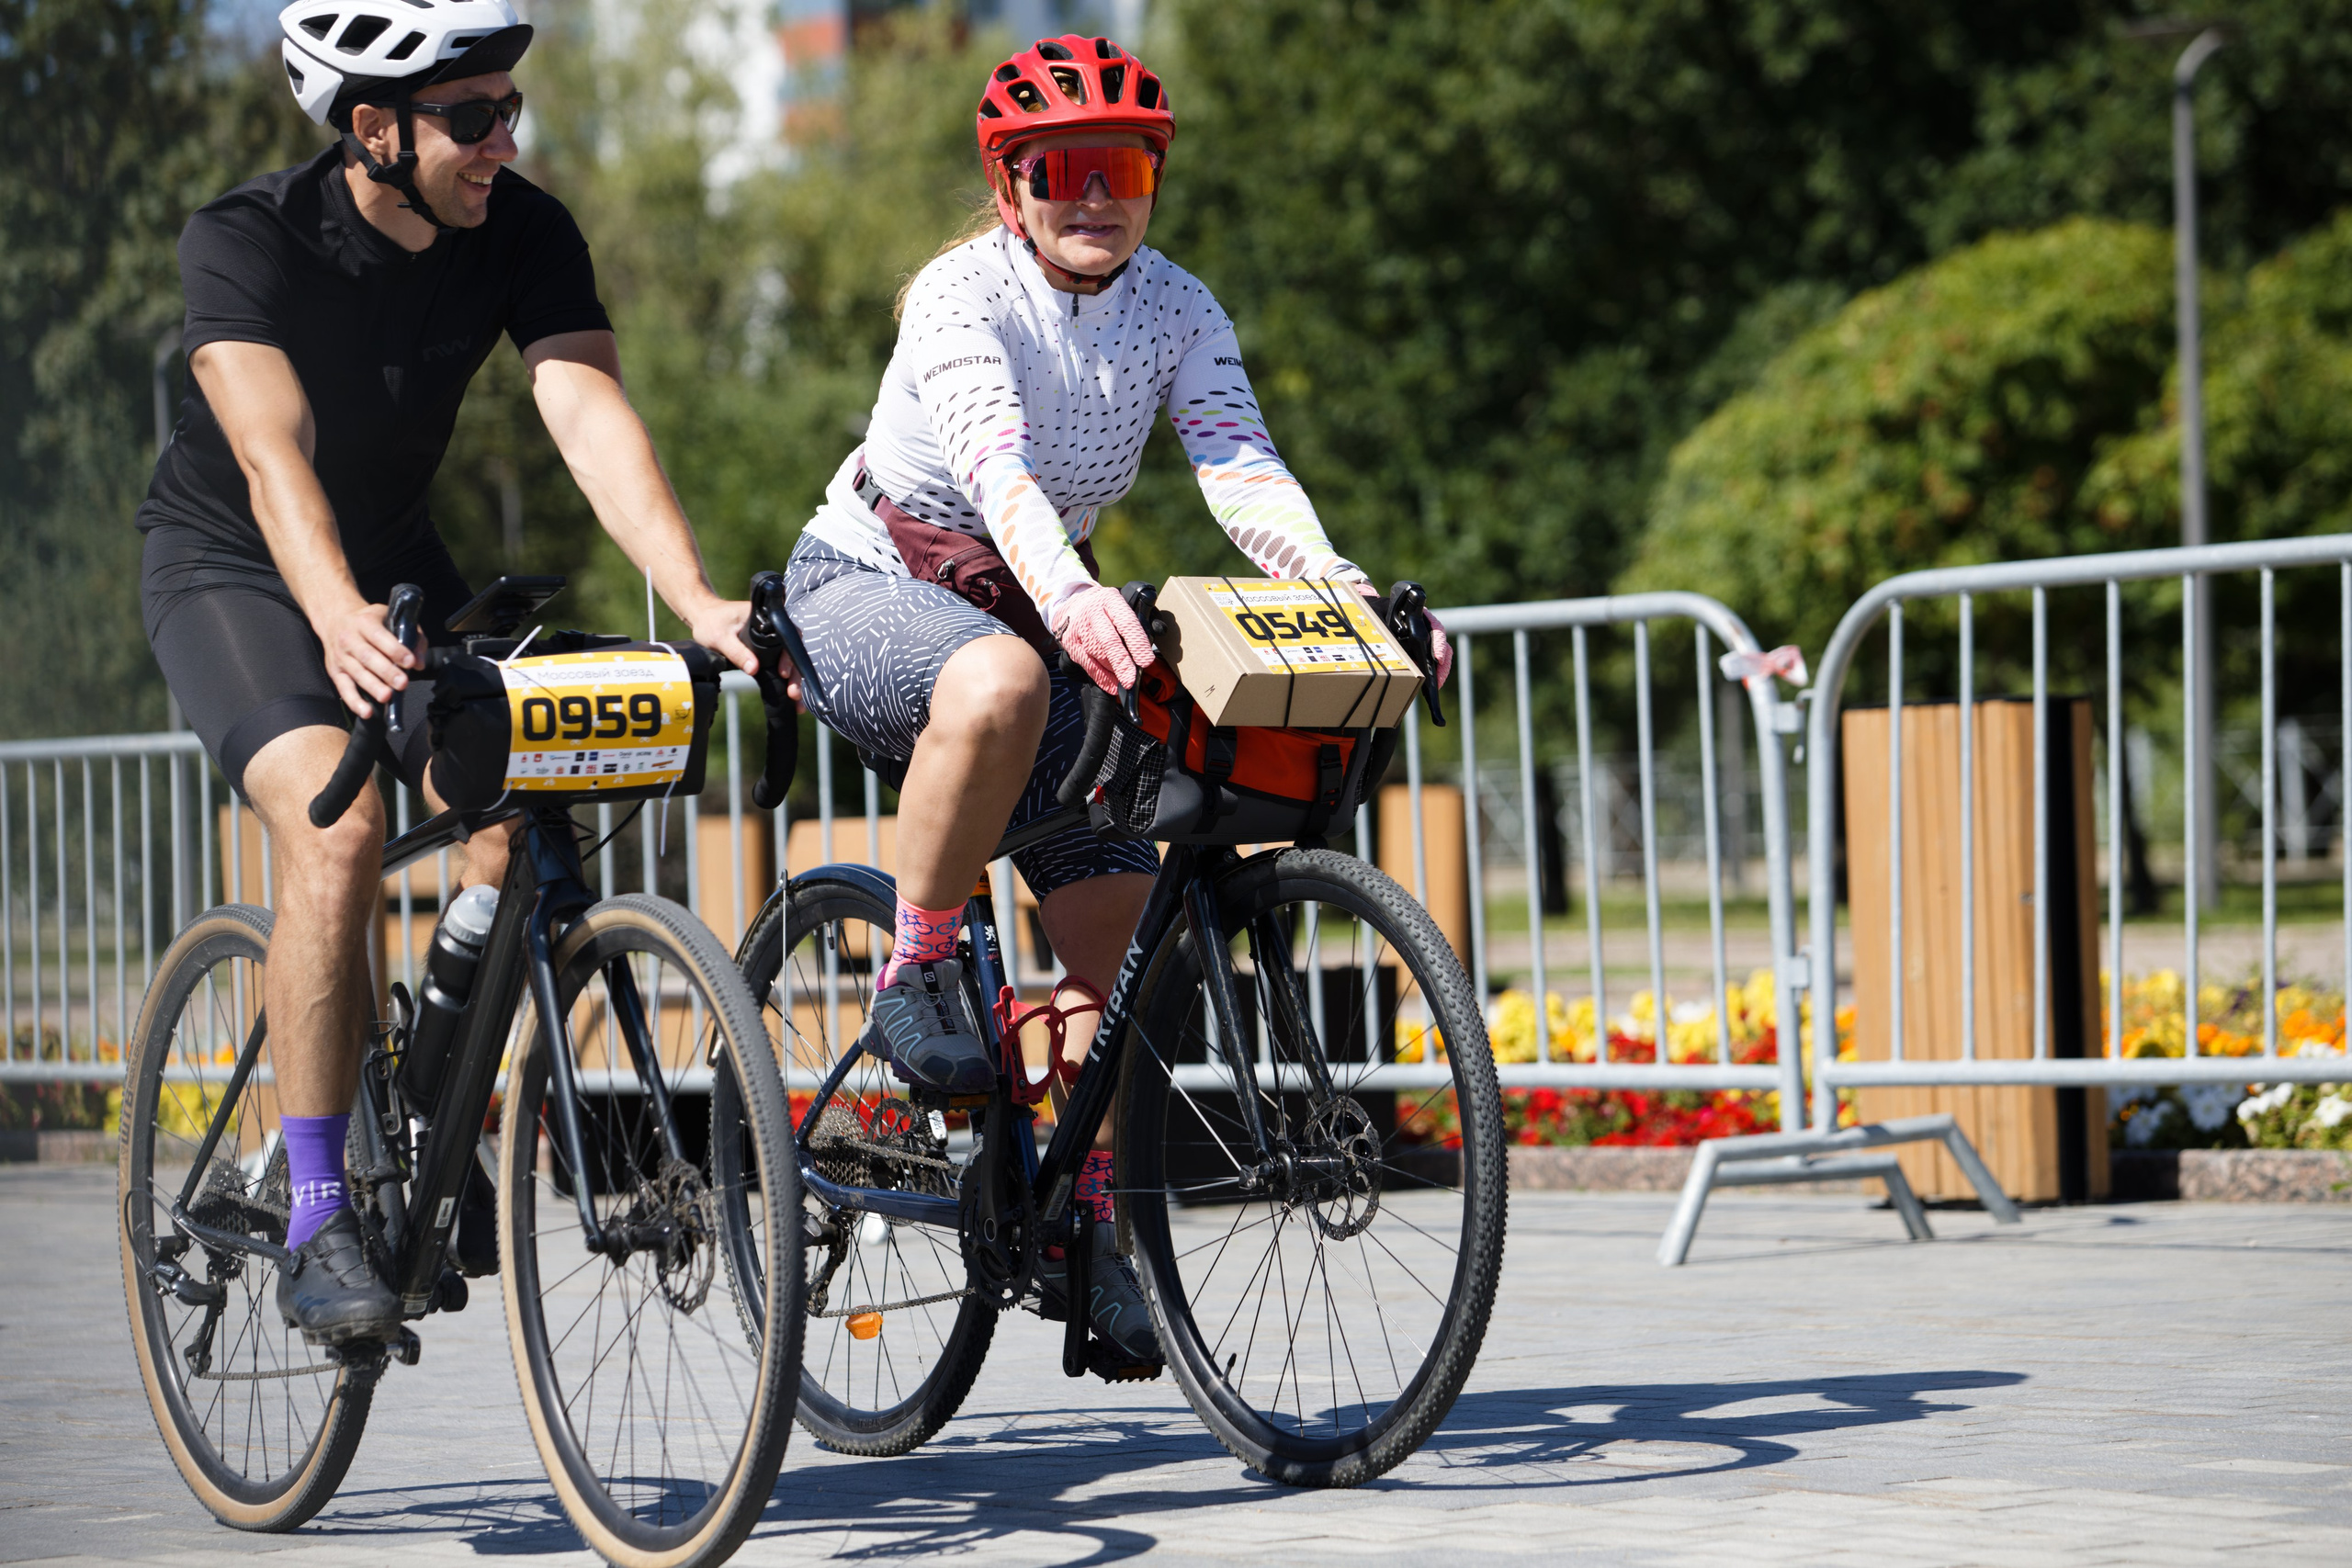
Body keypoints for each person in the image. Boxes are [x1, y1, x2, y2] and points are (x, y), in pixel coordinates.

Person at [781, 34, 1451, 1360]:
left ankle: (1092, 1225)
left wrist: (1340, 583)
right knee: (1001, 675)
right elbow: (997, 466)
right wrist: (1073, 596)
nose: (1098, 195)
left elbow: (1240, 464)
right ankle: (914, 972)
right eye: (1063, 170)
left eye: (1126, 168)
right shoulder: (959, 296)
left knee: (1136, 951)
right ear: (1010, 181)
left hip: (1037, 610)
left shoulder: (1181, 306)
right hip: (872, 584)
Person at [138, 0, 766, 1346]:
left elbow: (587, 413)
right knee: (339, 827)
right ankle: (314, 1210)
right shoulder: (245, 240)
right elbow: (270, 454)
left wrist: (699, 595)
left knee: (522, 797)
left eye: (510, 112)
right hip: (232, 567)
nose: (502, 142)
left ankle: (423, 1091)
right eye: (471, 118)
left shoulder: (522, 232)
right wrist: (333, 612)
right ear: (375, 129)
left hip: (392, 562)